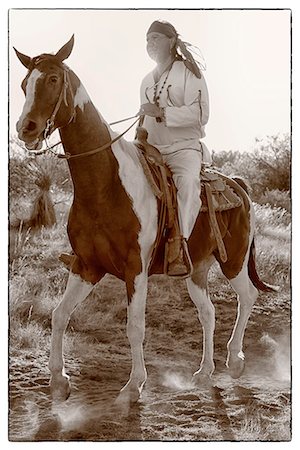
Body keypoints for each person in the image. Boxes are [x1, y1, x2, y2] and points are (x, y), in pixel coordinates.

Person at [138, 20, 210, 277]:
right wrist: (140, 135)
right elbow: (145, 119)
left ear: (171, 41)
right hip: (151, 150)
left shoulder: (190, 73)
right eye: (147, 40)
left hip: (183, 149)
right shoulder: (146, 79)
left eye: (155, 38)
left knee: (188, 183)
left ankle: (179, 245)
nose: (150, 44)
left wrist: (162, 112)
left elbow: (201, 114)